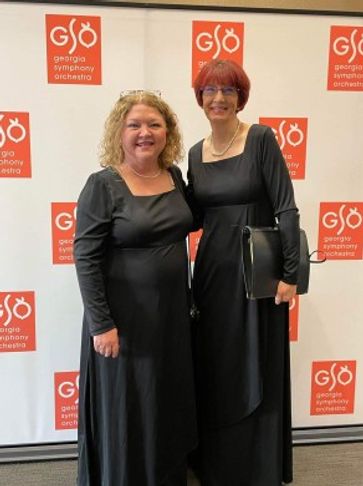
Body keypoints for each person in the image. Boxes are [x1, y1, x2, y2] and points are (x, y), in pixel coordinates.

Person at [74, 91, 197, 486]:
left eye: (154, 124)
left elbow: (198, 218)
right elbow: (85, 257)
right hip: (123, 322)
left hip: (171, 317)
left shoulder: (175, 176)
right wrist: (101, 324)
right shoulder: (103, 185)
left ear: (168, 132)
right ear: (120, 132)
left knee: (164, 401)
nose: (145, 133)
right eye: (135, 125)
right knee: (127, 407)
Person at [187, 59, 300, 486]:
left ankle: (256, 467)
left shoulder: (261, 139)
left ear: (240, 97)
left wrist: (290, 274)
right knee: (217, 364)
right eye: (210, 90)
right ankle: (216, 462)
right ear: (200, 98)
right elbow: (194, 216)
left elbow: (286, 206)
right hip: (212, 275)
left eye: (228, 91)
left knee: (257, 364)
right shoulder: (196, 153)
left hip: (258, 278)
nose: (219, 98)